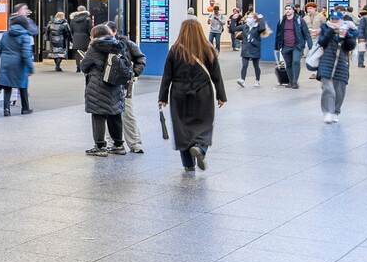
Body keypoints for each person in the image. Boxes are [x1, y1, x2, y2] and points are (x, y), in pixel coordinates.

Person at [158, 16, 226, 171]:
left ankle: (188, 165)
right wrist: (221, 95)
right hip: (203, 93)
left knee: (182, 128)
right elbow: (216, 75)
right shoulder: (207, 49)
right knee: (205, 124)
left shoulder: (175, 50)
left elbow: (167, 75)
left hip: (179, 94)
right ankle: (201, 148)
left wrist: (162, 97)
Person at [81, 24, 129, 155]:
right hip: (115, 84)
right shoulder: (118, 46)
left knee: (98, 115)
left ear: (94, 35)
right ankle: (119, 145)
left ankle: (100, 146)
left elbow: (84, 66)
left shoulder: (94, 48)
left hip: (98, 86)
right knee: (115, 114)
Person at [111, 26, 148, 153]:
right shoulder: (101, 45)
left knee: (128, 112)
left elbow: (140, 58)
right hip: (108, 84)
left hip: (125, 83)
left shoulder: (126, 43)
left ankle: (135, 143)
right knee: (108, 113)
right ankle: (111, 142)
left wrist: (134, 73)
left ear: (115, 32)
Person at [314, 9, 355, 122]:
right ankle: (328, 112)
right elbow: (322, 42)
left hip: (341, 63)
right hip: (326, 62)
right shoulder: (325, 28)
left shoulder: (349, 29)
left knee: (340, 89)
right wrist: (330, 31)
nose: (335, 21)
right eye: (333, 19)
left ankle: (336, 112)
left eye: (337, 19)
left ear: (342, 19)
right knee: (328, 89)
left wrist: (346, 36)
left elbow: (351, 46)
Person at [0, 3, 36, 115]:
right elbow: (26, 53)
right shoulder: (24, 35)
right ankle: (25, 108)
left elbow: (0, 47)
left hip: (7, 62)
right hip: (19, 63)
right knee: (22, 85)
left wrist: (5, 57)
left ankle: (6, 109)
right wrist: (30, 68)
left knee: (7, 86)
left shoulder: (6, 34)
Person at [275, 6, 305, 86]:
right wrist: (276, 47)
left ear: (293, 11)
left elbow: (305, 33)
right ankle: (291, 81)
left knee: (295, 61)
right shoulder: (282, 21)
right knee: (288, 64)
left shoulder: (299, 20)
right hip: (285, 45)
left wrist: (309, 44)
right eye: (286, 9)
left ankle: (295, 81)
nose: (287, 11)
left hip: (297, 45)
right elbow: (278, 34)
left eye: (289, 9)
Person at [236, 9, 266, 85]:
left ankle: (257, 80)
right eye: (248, 17)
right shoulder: (245, 27)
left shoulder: (257, 27)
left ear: (255, 19)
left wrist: (261, 18)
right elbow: (234, 28)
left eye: (250, 17)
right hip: (246, 48)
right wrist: (233, 20)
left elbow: (262, 28)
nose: (248, 19)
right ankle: (242, 80)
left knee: (256, 66)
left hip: (255, 48)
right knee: (244, 65)